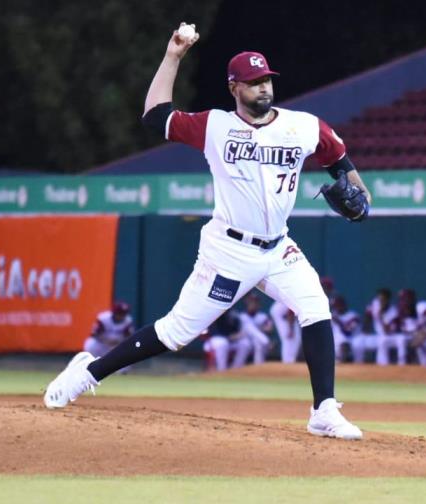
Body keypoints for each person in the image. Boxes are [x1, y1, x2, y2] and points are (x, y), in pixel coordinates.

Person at [44, 24, 371, 440]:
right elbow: (154, 116)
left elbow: (341, 163)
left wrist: (362, 200)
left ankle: (324, 410)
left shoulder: (304, 127)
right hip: (229, 251)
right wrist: (173, 56)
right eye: (253, 83)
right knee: (175, 332)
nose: (263, 88)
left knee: (316, 308)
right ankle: (86, 373)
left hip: (278, 249)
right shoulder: (213, 126)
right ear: (234, 87)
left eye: (266, 80)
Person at [83, 301, 135, 374]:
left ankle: (121, 372)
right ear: (114, 312)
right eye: (119, 313)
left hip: (114, 346)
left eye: (123, 313)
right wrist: (106, 341)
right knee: (90, 343)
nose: (121, 315)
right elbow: (94, 334)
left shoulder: (128, 321)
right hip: (100, 344)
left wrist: (117, 343)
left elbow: (129, 338)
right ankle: (87, 367)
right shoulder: (104, 318)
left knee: (129, 349)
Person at [238, 292, 274, 365]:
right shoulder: (241, 316)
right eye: (251, 302)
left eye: (255, 302)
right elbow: (237, 331)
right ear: (247, 303)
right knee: (248, 329)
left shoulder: (262, 316)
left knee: (258, 343)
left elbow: (270, 329)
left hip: (257, 340)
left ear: (258, 304)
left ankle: (258, 368)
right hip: (244, 338)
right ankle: (236, 367)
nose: (253, 304)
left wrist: (260, 329)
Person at [330, 295, 360, 362]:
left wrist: (337, 320)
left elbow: (348, 332)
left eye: (339, 305)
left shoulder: (353, 316)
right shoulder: (332, 316)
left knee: (344, 344)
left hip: (350, 340)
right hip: (335, 342)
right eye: (335, 306)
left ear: (344, 304)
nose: (337, 307)